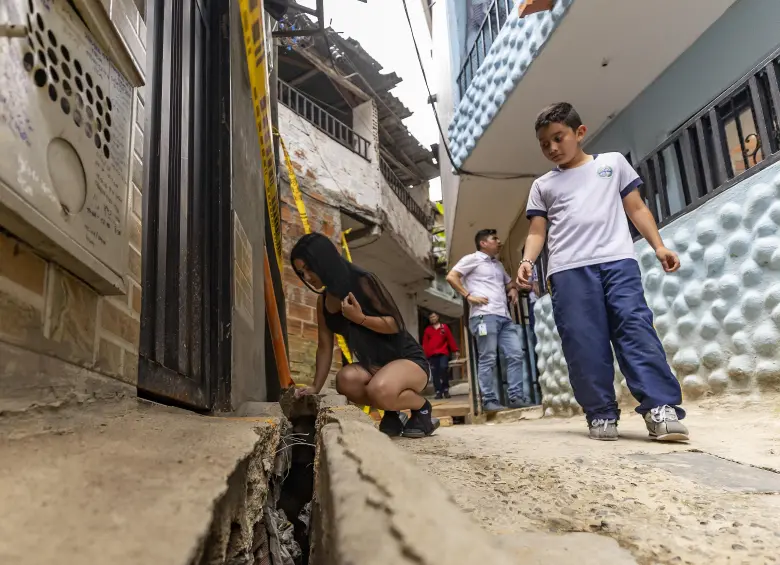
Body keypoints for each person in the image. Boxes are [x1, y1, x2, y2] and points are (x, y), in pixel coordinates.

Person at [517, 102, 688, 442]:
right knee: (583, 342)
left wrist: (659, 246)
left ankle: (660, 409)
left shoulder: (612, 163)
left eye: (558, 137)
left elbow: (636, 207)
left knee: (635, 329)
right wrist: (526, 261)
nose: (551, 147)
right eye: (544, 143)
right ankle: (600, 413)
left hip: (618, 261)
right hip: (567, 270)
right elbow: (538, 230)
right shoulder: (543, 185)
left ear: (579, 133)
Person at [290, 233, 438, 439]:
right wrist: (315, 386)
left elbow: (395, 324)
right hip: (375, 367)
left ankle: (422, 408)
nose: (306, 277)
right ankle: (392, 412)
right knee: (345, 380)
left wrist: (360, 318)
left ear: (323, 260)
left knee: (380, 390)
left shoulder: (362, 281)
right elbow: (324, 346)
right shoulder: (323, 301)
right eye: (300, 272)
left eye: (308, 268)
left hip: (408, 361)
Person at [446, 229, 533, 413]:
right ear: (483, 243)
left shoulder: (498, 265)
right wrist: (468, 295)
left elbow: (509, 283)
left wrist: (513, 289)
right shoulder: (472, 259)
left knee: (516, 354)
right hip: (483, 316)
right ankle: (488, 400)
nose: (499, 241)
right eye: (495, 239)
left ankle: (515, 397)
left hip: (504, 317)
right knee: (488, 358)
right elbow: (452, 276)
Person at [422, 312, 459, 399]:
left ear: (438, 317)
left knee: (443, 368)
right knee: (435, 374)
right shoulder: (428, 330)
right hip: (432, 355)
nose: (432, 318)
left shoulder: (444, 327)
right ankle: (438, 391)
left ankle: (445, 389)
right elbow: (425, 344)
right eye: (431, 317)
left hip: (443, 353)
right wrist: (425, 355)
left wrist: (455, 350)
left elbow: (450, 339)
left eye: (434, 316)